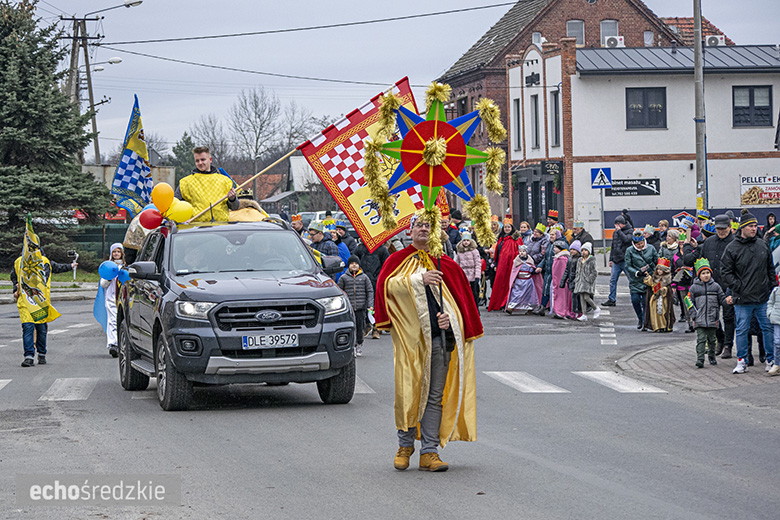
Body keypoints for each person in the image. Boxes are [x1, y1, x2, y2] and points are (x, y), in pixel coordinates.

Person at [375, 212, 481, 472]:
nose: (424, 229)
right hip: (411, 343)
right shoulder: (397, 261)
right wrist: (417, 280)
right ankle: (404, 445)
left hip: (440, 340)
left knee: (434, 396)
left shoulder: (446, 264)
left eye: (428, 225)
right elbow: (387, 288)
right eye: (419, 225)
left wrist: (450, 320)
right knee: (408, 392)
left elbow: (462, 307)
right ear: (410, 231)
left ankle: (429, 452)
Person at [720, 211, 776, 374]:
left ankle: (771, 360)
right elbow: (725, 272)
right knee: (742, 330)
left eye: (755, 226)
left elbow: (770, 269)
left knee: (767, 329)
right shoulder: (732, 247)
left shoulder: (762, 245)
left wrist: (772, 288)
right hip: (742, 298)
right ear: (742, 228)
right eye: (750, 226)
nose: (754, 228)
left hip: (763, 297)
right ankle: (742, 360)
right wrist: (738, 286)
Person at [12, 248, 76, 367]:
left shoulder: (44, 261)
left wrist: (70, 266)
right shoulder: (18, 261)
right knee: (27, 327)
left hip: (40, 301)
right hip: (25, 302)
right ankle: (29, 357)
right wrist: (16, 289)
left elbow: (43, 278)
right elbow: (14, 276)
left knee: (41, 328)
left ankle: (42, 353)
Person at [686, 214, 736, 357]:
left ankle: (728, 345)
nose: (721, 231)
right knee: (712, 316)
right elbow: (700, 262)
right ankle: (720, 338)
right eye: (718, 229)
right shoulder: (709, 242)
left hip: (728, 285)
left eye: (724, 229)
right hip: (711, 285)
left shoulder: (735, 242)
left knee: (728, 316)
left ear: (729, 227)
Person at [175, 146, 239, 222]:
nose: (200, 163)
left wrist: (232, 199)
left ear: (210, 159)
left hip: (221, 225)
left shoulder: (225, 181)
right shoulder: (185, 182)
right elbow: (175, 205)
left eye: (203, 159)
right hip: (195, 226)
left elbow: (235, 207)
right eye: (197, 161)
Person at [688, 259, 727, 368]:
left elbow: (722, 299)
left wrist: (727, 301)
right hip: (699, 319)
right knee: (701, 340)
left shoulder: (716, 287)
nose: (706, 275)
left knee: (712, 339)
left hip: (712, 318)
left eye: (708, 273)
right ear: (699, 275)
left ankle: (712, 356)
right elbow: (689, 302)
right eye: (703, 273)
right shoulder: (694, 288)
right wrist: (693, 315)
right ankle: (700, 358)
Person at [338, 255, 373, 357]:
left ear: (359, 265)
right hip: (349, 308)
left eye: (356, 264)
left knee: (360, 327)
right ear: (348, 265)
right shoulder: (343, 278)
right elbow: (340, 292)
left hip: (361, 308)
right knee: (350, 328)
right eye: (352, 264)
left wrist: (370, 305)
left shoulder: (364, 278)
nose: (354, 265)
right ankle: (351, 346)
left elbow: (369, 291)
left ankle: (359, 344)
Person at [354, 240, 390, 339]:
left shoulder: (382, 250)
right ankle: (367, 324)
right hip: (363, 280)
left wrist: (381, 278)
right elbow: (354, 262)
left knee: (376, 304)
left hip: (377, 280)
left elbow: (386, 265)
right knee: (364, 303)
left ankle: (376, 327)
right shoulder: (360, 248)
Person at [624, 229, 658, 330]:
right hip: (635, 280)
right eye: (638, 244)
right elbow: (628, 265)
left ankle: (644, 322)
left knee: (645, 303)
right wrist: (637, 272)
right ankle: (640, 318)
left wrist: (654, 272)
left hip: (648, 279)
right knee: (635, 300)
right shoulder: (629, 251)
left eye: (642, 243)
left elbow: (656, 261)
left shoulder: (651, 248)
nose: (640, 245)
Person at [487, 219, 521, 311]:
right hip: (500, 265)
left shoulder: (516, 239)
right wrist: (496, 264)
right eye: (505, 227)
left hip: (510, 266)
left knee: (508, 284)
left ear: (512, 228)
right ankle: (498, 303)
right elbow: (498, 252)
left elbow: (518, 252)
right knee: (499, 284)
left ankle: (506, 303)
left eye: (508, 227)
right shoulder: (501, 239)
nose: (507, 229)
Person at [603, 215, 634, 307]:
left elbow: (627, 240)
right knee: (613, 280)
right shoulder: (615, 233)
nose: (616, 226)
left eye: (618, 224)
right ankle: (612, 299)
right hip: (616, 260)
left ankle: (635, 296)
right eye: (616, 224)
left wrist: (619, 231)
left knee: (631, 280)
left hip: (625, 260)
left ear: (622, 224)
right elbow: (613, 246)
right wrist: (611, 259)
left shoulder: (630, 231)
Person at [100, 243, 125, 358]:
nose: (116, 254)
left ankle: (122, 343)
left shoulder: (125, 267)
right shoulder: (108, 266)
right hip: (111, 298)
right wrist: (109, 277)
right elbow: (103, 284)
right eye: (114, 252)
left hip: (123, 297)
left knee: (122, 321)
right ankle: (113, 344)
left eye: (118, 251)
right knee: (112, 321)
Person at [505, 245, 539, 315]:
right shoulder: (516, 261)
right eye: (520, 251)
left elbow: (532, 269)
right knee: (516, 294)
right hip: (519, 281)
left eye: (523, 251)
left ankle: (530, 308)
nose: (522, 253)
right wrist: (513, 281)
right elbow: (514, 272)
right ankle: (511, 307)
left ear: (526, 252)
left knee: (529, 295)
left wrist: (535, 271)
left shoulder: (530, 261)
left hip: (528, 281)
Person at [643, 257, 674, 333]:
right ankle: (657, 326)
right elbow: (651, 283)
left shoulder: (668, 278)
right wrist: (647, 277)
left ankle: (664, 325)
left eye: (661, 269)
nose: (659, 271)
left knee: (663, 312)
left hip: (663, 298)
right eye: (658, 269)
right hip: (655, 298)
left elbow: (670, 288)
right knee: (655, 312)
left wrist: (665, 289)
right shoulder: (655, 277)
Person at [574, 242, 600, 321]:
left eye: (585, 250)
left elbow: (594, 272)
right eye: (582, 250)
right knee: (581, 297)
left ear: (589, 251)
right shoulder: (580, 260)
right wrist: (577, 279)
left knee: (586, 297)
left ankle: (595, 308)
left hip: (587, 282)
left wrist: (589, 279)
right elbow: (577, 270)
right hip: (580, 281)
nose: (583, 252)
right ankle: (584, 314)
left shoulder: (591, 260)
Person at [455, 232, 481, 308]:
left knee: (474, 293)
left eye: (467, 240)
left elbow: (477, 264)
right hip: (464, 274)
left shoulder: (474, 251)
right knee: (464, 293)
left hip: (472, 274)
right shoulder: (459, 251)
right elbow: (457, 264)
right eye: (464, 240)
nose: (466, 242)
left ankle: (475, 308)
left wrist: (477, 276)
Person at [550, 240, 574, 319]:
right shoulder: (559, 257)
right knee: (561, 296)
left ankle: (561, 311)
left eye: (555, 247)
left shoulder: (562, 259)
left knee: (562, 296)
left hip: (561, 281)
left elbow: (562, 272)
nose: (554, 249)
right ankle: (560, 311)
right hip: (559, 281)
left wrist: (560, 281)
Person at [766, 282, 780, 376]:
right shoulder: (775, 290)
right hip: (777, 319)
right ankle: (777, 364)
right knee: (777, 342)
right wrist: (770, 313)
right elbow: (770, 302)